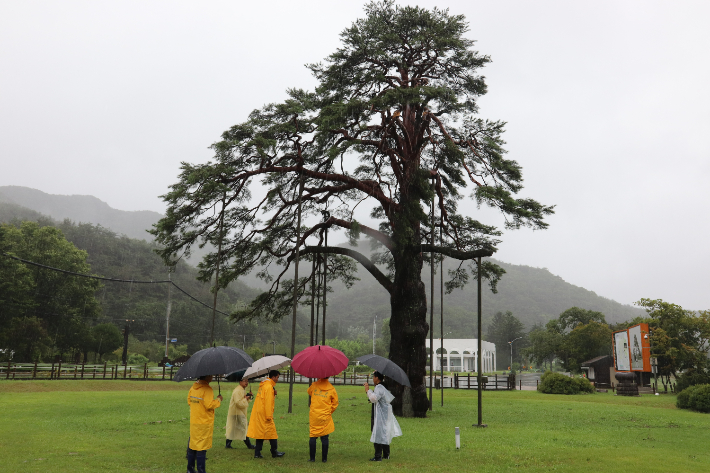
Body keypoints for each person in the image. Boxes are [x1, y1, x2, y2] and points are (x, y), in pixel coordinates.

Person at [187, 374, 223, 473]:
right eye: (211, 375)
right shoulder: (207, 389)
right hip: (203, 422)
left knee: (193, 444)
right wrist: (218, 400)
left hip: (194, 421)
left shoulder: (193, 388)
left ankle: (190, 469)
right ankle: (201, 470)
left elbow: (189, 401)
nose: (212, 377)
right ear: (206, 377)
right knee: (201, 447)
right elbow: (209, 405)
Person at [246, 370, 285, 459]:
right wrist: (268, 416)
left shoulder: (264, 385)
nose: (278, 379)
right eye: (277, 377)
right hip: (265, 414)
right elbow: (267, 402)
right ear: (273, 377)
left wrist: (273, 394)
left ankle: (257, 453)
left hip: (259, 412)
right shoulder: (268, 387)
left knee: (260, 433)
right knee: (272, 434)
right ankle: (274, 452)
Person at [364, 371, 402, 461]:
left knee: (377, 433)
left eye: (374, 376)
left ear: (377, 378)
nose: (373, 378)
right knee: (385, 433)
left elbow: (373, 398)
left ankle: (378, 456)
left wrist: (367, 390)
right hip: (385, 413)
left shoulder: (379, 387)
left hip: (380, 415)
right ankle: (386, 454)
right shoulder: (384, 386)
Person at [307, 377, 339, 463]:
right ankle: (324, 459)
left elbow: (309, 392)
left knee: (313, 436)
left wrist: (316, 383)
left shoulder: (314, 385)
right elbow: (335, 403)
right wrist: (329, 411)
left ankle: (312, 458)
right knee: (325, 437)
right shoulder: (331, 388)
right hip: (325, 416)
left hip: (314, 415)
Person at [225, 376, 255, 450]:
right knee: (243, 427)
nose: (246, 383)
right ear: (240, 381)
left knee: (234, 427)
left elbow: (243, 401)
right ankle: (249, 445)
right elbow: (238, 403)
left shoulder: (242, 389)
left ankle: (228, 444)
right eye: (244, 381)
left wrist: (249, 397)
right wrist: (246, 398)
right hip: (236, 412)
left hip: (238, 412)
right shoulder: (237, 391)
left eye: (247, 381)